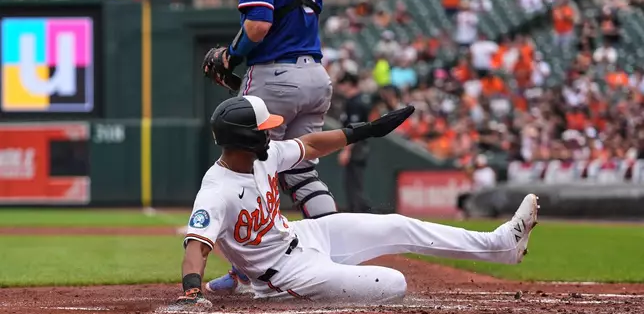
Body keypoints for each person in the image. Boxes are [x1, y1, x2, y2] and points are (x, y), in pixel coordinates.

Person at [172, 96, 539, 308]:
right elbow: (196, 246)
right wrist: (191, 290)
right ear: (246, 138)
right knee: (394, 284)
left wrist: (367, 131)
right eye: (264, 128)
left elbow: (313, 145)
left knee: (398, 224)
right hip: (282, 276)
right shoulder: (216, 190)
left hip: (306, 235)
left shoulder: (264, 155)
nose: (271, 132)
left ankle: (501, 245)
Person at [200, 0, 339, 294]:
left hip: (275, 76)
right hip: (315, 73)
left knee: (250, 171)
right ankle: (337, 255)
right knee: (303, 172)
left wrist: (231, 55)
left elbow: (259, 26)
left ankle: (246, 272)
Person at [337, 72, 372, 213]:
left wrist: (346, 150)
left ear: (349, 84)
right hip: (358, 146)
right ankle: (359, 212)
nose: (341, 87)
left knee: (354, 184)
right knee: (352, 184)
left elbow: (354, 131)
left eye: (343, 83)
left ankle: (362, 213)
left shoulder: (356, 102)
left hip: (357, 147)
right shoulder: (356, 100)